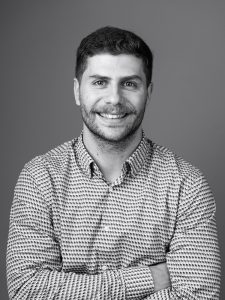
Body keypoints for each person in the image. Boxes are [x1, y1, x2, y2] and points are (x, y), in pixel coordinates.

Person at [7, 26, 221, 299]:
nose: (114, 99)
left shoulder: (186, 184)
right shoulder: (40, 178)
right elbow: (27, 290)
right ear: (76, 91)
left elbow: (198, 296)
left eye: (129, 83)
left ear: (149, 92)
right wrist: (152, 277)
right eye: (99, 82)